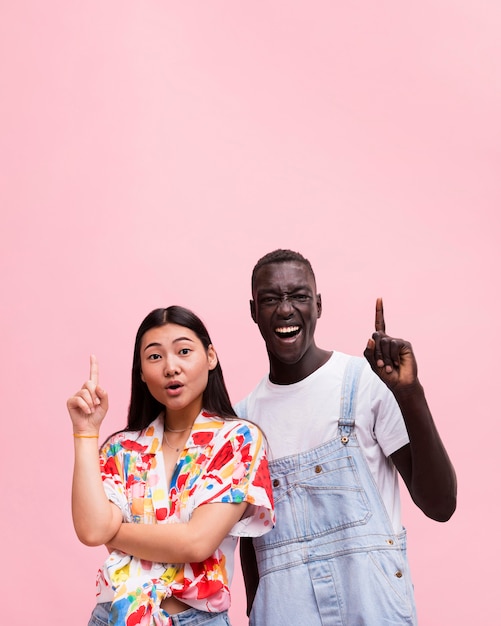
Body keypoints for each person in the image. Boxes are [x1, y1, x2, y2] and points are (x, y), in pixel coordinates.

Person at [236, 249, 457, 626]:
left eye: (299, 296)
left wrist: (409, 393)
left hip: (373, 610)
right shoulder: (243, 422)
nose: (286, 309)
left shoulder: (365, 382)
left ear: (318, 305)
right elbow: (250, 542)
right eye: (271, 298)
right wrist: (255, 610)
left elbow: (440, 505)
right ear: (254, 310)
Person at [67, 306, 274, 626]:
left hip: (195, 619)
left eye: (184, 351)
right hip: (112, 616)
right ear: (140, 372)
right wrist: (85, 431)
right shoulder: (122, 448)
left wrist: (116, 532)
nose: (170, 367)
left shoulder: (237, 440)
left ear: (210, 357)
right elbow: (93, 530)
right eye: (154, 357)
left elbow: (196, 543)